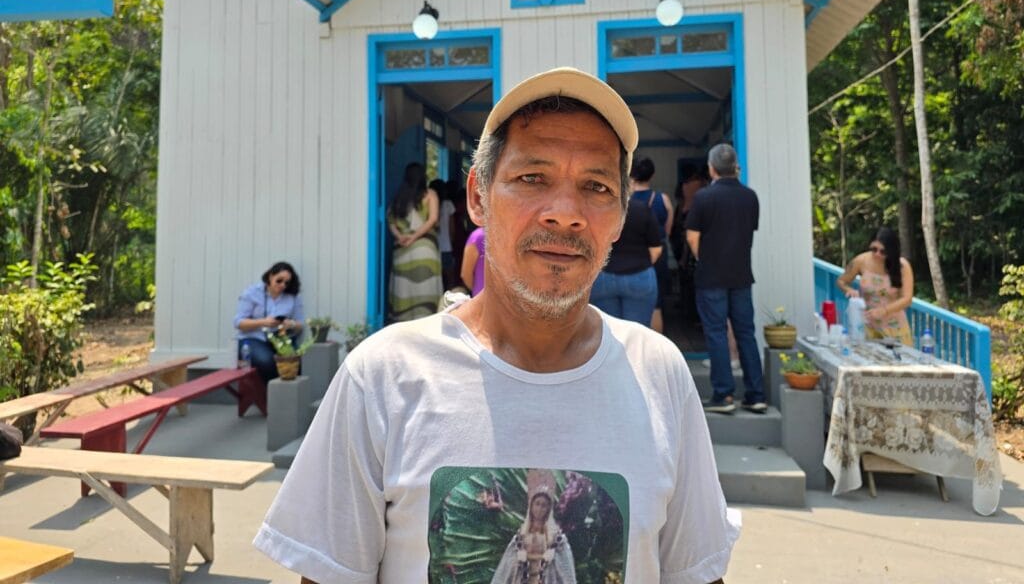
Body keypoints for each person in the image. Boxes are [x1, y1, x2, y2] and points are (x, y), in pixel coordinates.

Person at [254, 67, 737, 583]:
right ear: (478, 197)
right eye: (533, 178)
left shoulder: (659, 374)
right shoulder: (381, 378)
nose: (565, 214)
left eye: (596, 186)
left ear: (619, 217)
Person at [685, 143, 766, 414]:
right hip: (742, 274)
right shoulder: (750, 197)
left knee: (717, 333)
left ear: (711, 168)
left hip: (711, 276)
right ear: (735, 167)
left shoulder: (703, 198)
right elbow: (748, 232)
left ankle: (724, 395)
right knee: (746, 333)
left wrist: (703, 258)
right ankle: (756, 395)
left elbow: (692, 237)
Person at [588, 194, 661, 326]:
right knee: (638, 333)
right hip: (639, 275)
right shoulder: (642, 209)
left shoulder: (597, 210)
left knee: (607, 331)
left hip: (602, 275)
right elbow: (656, 249)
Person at [836, 226, 914, 346]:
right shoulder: (861, 260)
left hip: (894, 327)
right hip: (868, 326)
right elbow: (841, 281)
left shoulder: (902, 266)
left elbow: (907, 299)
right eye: (874, 249)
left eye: (883, 251)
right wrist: (849, 290)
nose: (877, 254)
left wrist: (884, 310)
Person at [491, 481, 575, 584]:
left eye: (544, 505)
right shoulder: (520, 537)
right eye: (537, 504)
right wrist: (518, 559)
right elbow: (506, 567)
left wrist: (553, 558)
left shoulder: (557, 539)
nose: (539, 509)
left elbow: (567, 573)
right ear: (531, 506)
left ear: (548, 509)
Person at [233, 262, 304, 383]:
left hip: (279, 338)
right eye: (279, 280)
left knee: (294, 361)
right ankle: (271, 397)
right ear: (271, 276)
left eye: (287, 283)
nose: (283, 285)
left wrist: (290, 324)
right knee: (267, 361)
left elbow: (300, 325)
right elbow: (238, 323)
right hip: (253, 338)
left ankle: (290, 397)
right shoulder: (252, 293)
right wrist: (263, 322)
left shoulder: (292, 296)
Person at [387, 162, 442, 321]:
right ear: (423, 177)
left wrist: (400, 236)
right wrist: (415, 237)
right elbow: (432, 219)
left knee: (405, 290)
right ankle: (426, 322)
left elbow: (390, 220)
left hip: (401, 250)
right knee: (425, 289)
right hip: (425, 249)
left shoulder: (399, 197)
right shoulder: (430, 194)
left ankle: (403, 323)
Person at [627, 157, 673, 333]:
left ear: (631, 175)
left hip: (631, 254)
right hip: (658, 253)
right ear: (652, 175)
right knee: (657, 304)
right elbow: (668, 230)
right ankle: (655, 352)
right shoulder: (664, 199)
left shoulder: (624, 202)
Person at [431, 178, 459, 290]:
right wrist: (452, 241)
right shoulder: (448, 204)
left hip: (433, 246)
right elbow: (452, 228)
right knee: (449, 278)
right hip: (446, 246)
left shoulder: (428, 204)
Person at [461, 225, 487, 295]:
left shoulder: (478, 236)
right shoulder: (479, 236)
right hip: (482, 298)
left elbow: (465, 274)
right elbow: (466, 274)